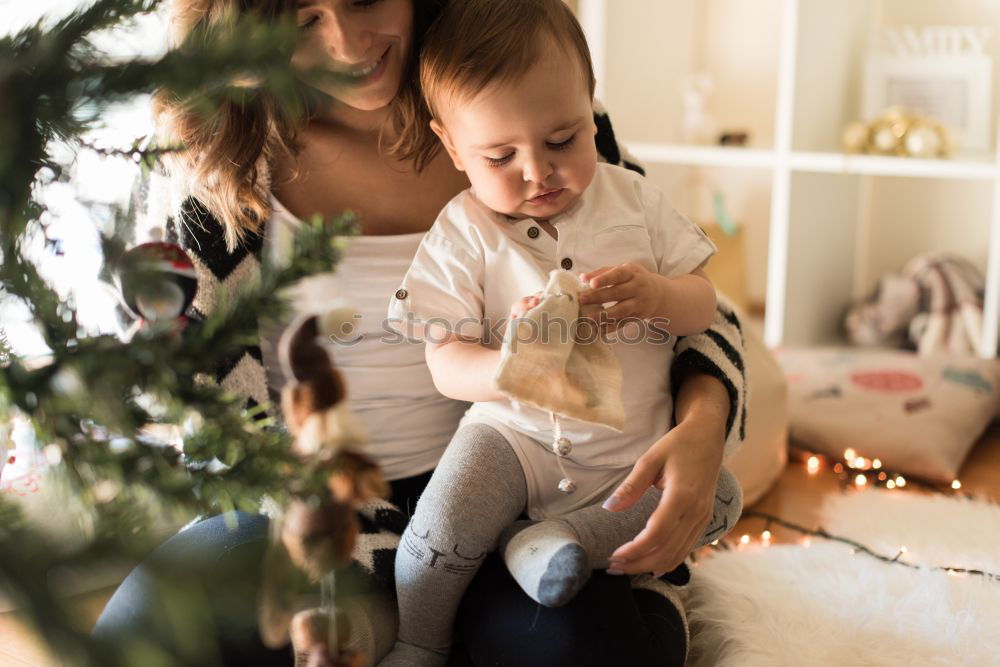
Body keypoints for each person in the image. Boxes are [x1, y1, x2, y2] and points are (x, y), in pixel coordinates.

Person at [92, 0, 749, 665]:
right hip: (297, 502)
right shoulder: (214, 158)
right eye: (302, 20)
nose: (347, 44)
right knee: (142, 635)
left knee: (584, 642)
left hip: (514, 494)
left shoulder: (519, 104)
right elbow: (183, 385)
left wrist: (702, 425)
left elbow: (681, 297)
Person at [380, 1, 740, 663]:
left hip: (629, 448)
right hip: (510, 434)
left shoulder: (634, 199)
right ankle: (418, 640)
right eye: (500, 156)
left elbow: (705, 306)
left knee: (717, 492)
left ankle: (549, 542)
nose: (538, 172)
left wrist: (659, 295)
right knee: (436, 529)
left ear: (590, 105)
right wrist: (505, 366)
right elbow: (445, 361)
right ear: (452, 146)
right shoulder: (464, 230)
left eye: (562, 140)